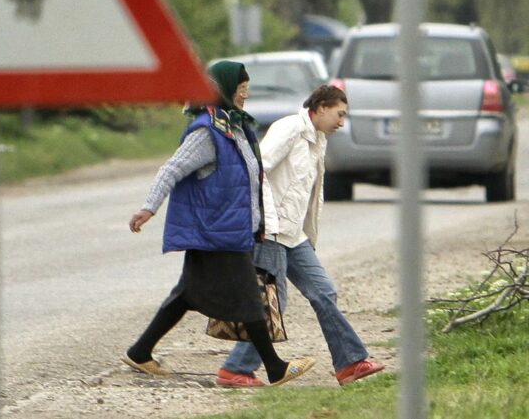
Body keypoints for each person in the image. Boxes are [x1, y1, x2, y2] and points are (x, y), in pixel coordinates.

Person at [122, 60, 315, 388]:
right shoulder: (207, 131)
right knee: (248, 298)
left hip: (230, 230)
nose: (246, 95)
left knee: (186, 294)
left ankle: (140, 351)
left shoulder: (234, 127)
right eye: (241, 89)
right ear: (224, 90)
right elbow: (172, 169)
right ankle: (275, 367)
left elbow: (249, 180)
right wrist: (148, 207)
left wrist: (259, 222)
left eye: (246, 89)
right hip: (217, 232)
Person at [216, 84, 386, 388]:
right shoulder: (291, 129)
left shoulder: (317, 138)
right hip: (272, 229)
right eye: (339, 114)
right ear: (320, 107)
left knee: (323, 291)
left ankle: (349, 363)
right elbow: (256, 168)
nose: (341, 122)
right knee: (273, 299)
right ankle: (235, 369)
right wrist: (263, 221)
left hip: (295, 234)